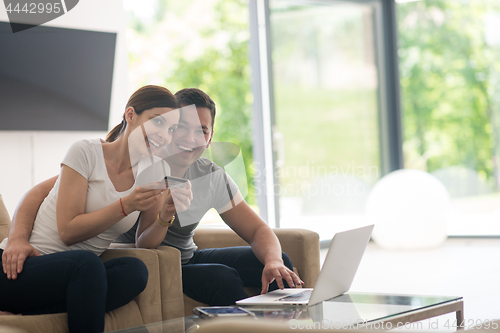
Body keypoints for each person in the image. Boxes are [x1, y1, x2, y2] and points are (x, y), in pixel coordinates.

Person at [2, 88, 302, 308]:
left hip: (186, 256)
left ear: (209, 138)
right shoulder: (131, 160)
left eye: (201, 131)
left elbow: (258, 230)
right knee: (221, 277)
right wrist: (17, 237)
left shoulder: (209, 175)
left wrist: (273, 259)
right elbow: (39, 193)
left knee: (279, 261)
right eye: (179, 127)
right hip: (147, 258)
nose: (188, 138)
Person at [0, 85, 193, 333]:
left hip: (78, 275)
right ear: (131, 115)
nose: (164, 135)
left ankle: (28, 312)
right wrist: (126, 205)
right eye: (158, 122)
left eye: (171, 129)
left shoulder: (156, 170)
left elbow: (145, 242)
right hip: (23, 269)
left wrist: (166, 215)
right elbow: (68, 232)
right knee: (87, 263)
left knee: (134, 272)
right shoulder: (86, 152)